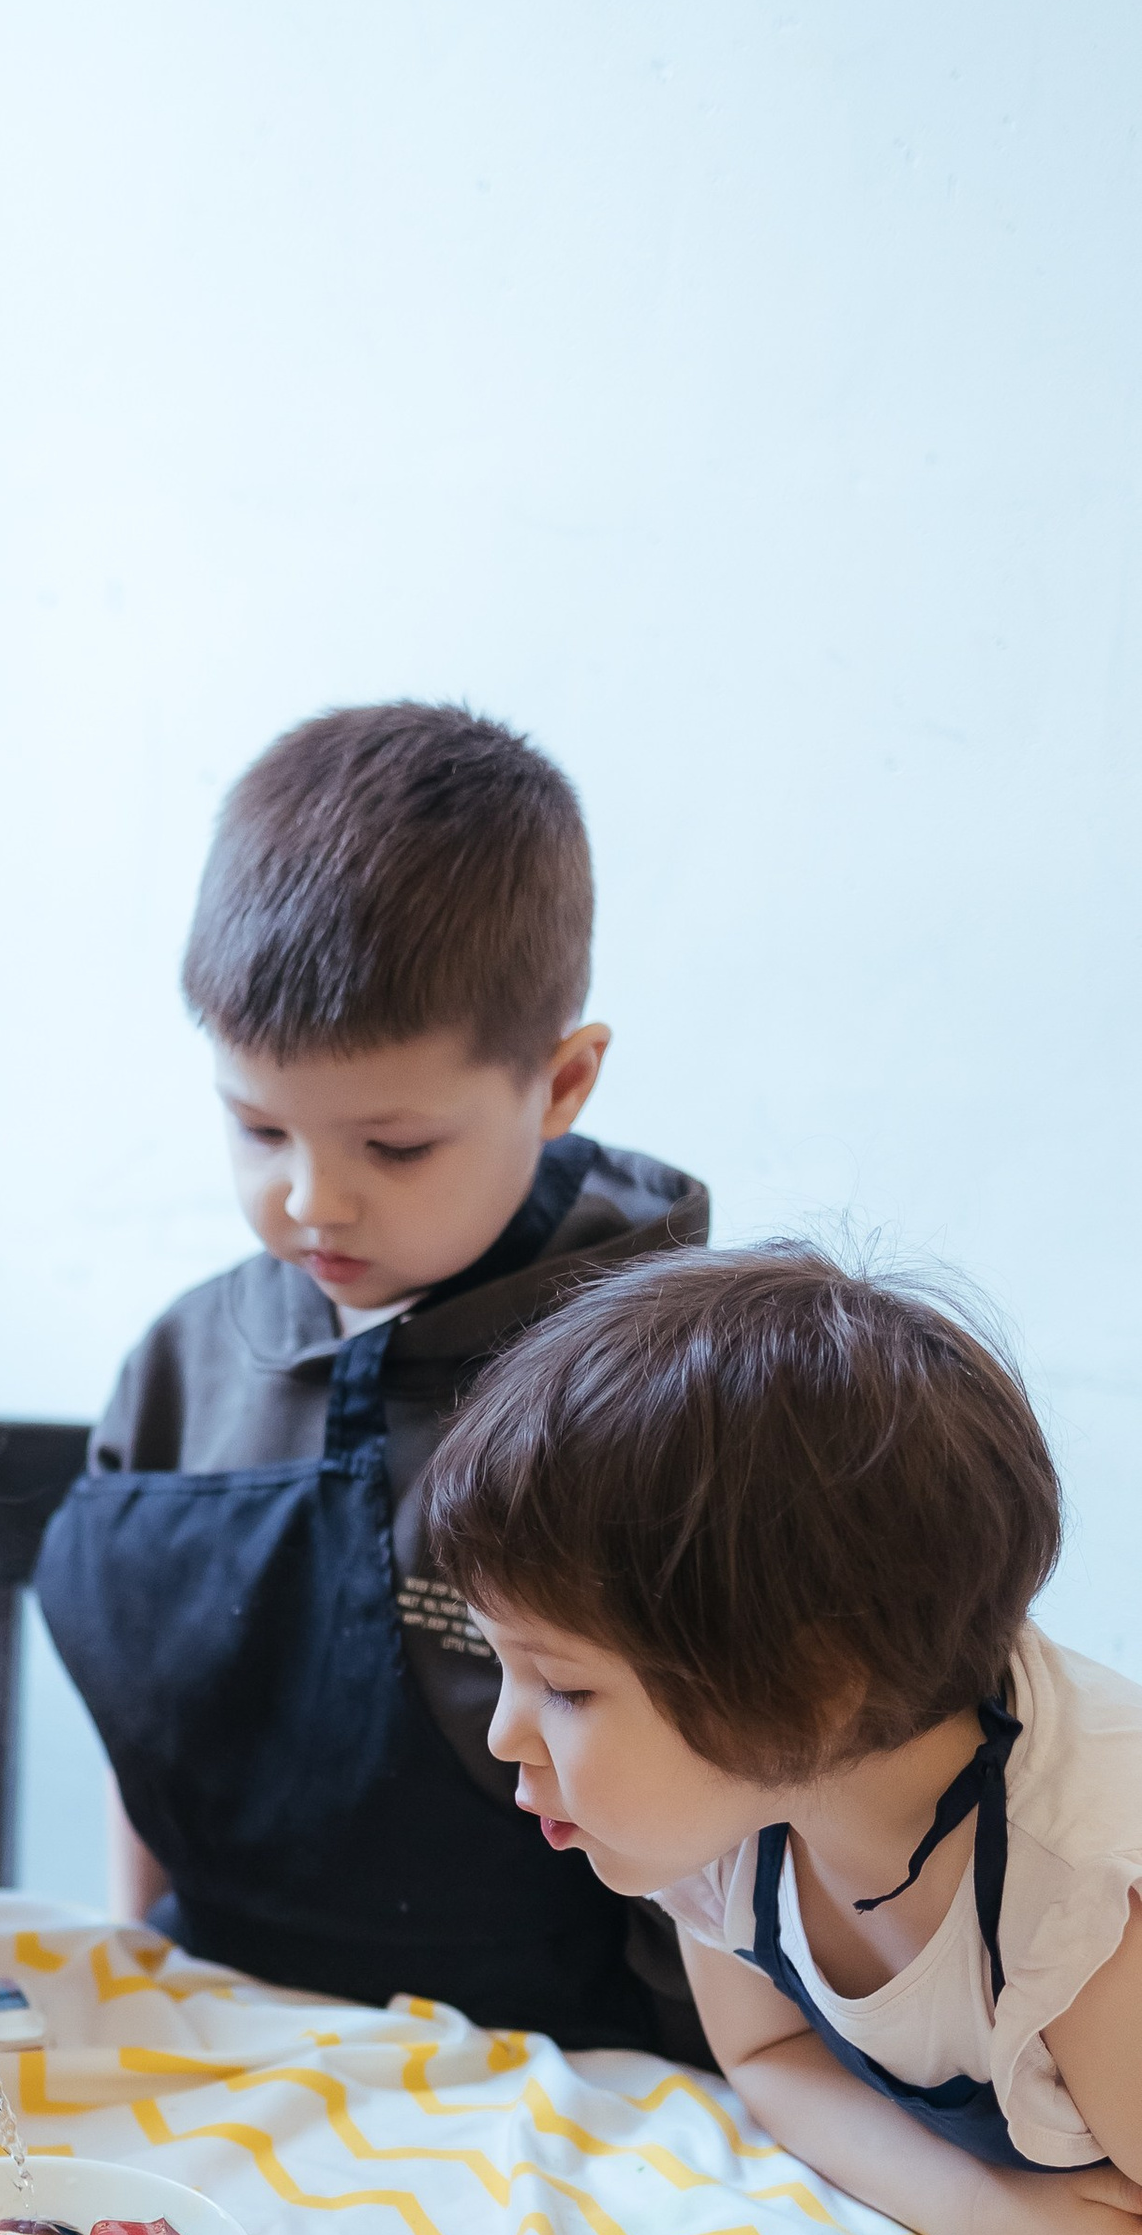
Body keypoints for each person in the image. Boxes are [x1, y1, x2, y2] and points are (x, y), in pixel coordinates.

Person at [35, 702, 711, 2053]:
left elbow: (732, 1846)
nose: (309, 1201)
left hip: (576, 2068)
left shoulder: (669, 1399)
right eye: (257, 1125)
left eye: (394, 1146)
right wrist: (145, 1971)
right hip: (227, 2021)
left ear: (563, 1081)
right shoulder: (183, 1367)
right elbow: (148, 1729)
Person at [421, 1247, 1142, 2235]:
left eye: (565, 1689)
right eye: (501, 1664)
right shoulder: (727, 1818)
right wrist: (992, 2214)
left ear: (812, 1690)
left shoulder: (1079, 1914)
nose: (502, 1737)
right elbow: (764, 2060)